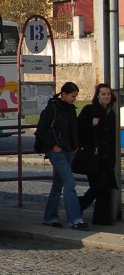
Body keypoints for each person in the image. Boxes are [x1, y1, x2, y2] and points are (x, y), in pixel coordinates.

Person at [35, 81, 88, 230]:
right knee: (70, 182)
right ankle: (75, 219)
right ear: (63, 94)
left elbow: (73, 129)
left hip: (68, 152)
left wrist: (75, 146)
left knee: (58, 185)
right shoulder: (51, 109)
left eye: (76, 96)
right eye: (73, 96)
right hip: (57, 152)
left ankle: (50, 217)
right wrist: (53, 146)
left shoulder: (71, 109)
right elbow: (41, 131)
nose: (75, 99)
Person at [76, 83, 118, 225]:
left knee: (103, 187)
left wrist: (112, 157)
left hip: (105, 157)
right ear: (98, 95)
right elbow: (78, 129)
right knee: (99, 186)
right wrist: (91, 124)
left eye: (108, 94)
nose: (106, 96)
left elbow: (112, 137)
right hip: (92, 156)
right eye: (103, 94)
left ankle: (81, 207)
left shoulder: (111, 113)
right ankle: (98, 217)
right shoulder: (90, 110)